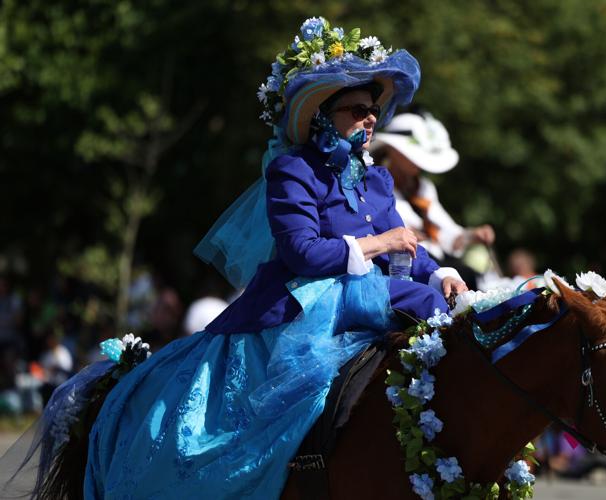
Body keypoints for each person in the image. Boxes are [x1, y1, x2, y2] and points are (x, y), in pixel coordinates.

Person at [11, 18, 466, 499]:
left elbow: (406, 246)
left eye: (374, 108)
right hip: (306, 301)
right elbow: (302, 251)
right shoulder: (293, 168)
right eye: (357, 109)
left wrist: (444, 275)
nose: (371, 117)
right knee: (416, 306)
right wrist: (378, 247)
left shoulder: (377, 179)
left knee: (438, 301)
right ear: (323, 114)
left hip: (370, 290)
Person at [370, 112, 495, 289]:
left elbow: (446, 234)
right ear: (392, 150)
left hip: (433, 261)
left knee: (467, 275)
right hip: (404, 266)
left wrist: (471, 235)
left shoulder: (424, 188)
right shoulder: (376, 185)